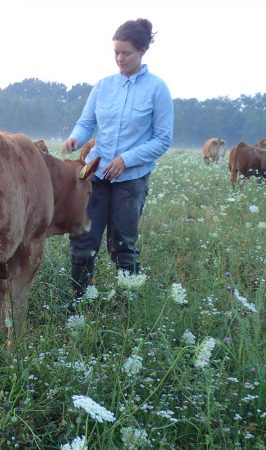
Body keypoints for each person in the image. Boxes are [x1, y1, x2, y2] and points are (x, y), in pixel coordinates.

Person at [61, 18, 174, 301]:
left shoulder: (157, 89)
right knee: (83, 236)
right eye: (116, 53)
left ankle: (128, 304)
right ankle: (78, 300)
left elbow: (163, 139)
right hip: (95, 174)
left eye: (126, 53)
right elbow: (86, 122)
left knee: (123, 242)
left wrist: (126, 159)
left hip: (130, 180)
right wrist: (75, 137)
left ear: (142, 52)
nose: (120, 58)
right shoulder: (103, 86)